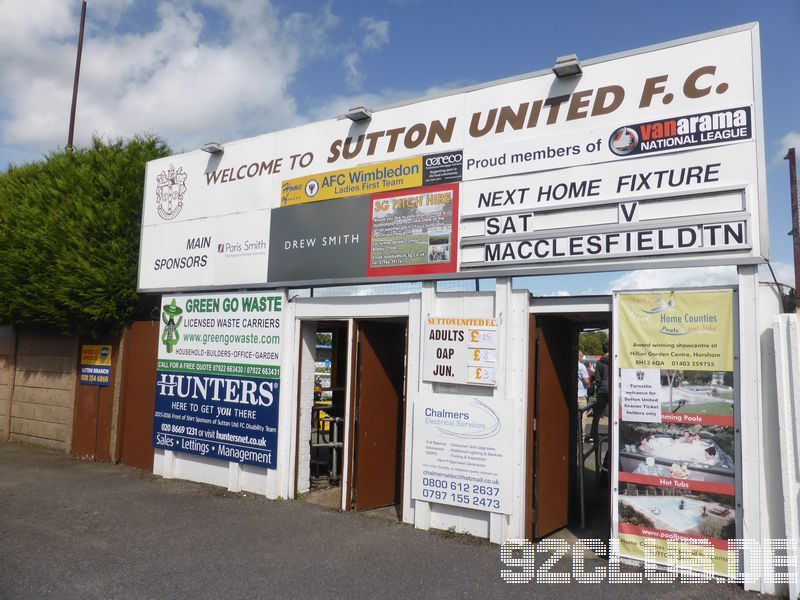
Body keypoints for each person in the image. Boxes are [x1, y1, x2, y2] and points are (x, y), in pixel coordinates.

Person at [589, 342, 611, 443]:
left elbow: (597, 377)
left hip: (602, 389)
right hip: (612, 389)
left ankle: (593, 435)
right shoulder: (614, 360)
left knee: (597, 414)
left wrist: (600, 383)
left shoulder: (599, 362)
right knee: (615, 413)